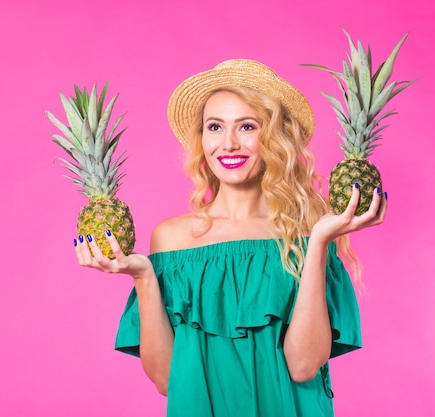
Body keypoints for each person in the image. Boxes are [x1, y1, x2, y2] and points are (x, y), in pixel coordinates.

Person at [74, 59, 387, 417]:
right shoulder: (172, 238)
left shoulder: (310, 232)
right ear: (202, 139)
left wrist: (316, 245)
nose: (229, 143)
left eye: (247, 126)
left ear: (274, 138)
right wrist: (144, 277)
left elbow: (302, 366)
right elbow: (165, 380)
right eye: (215, 127)